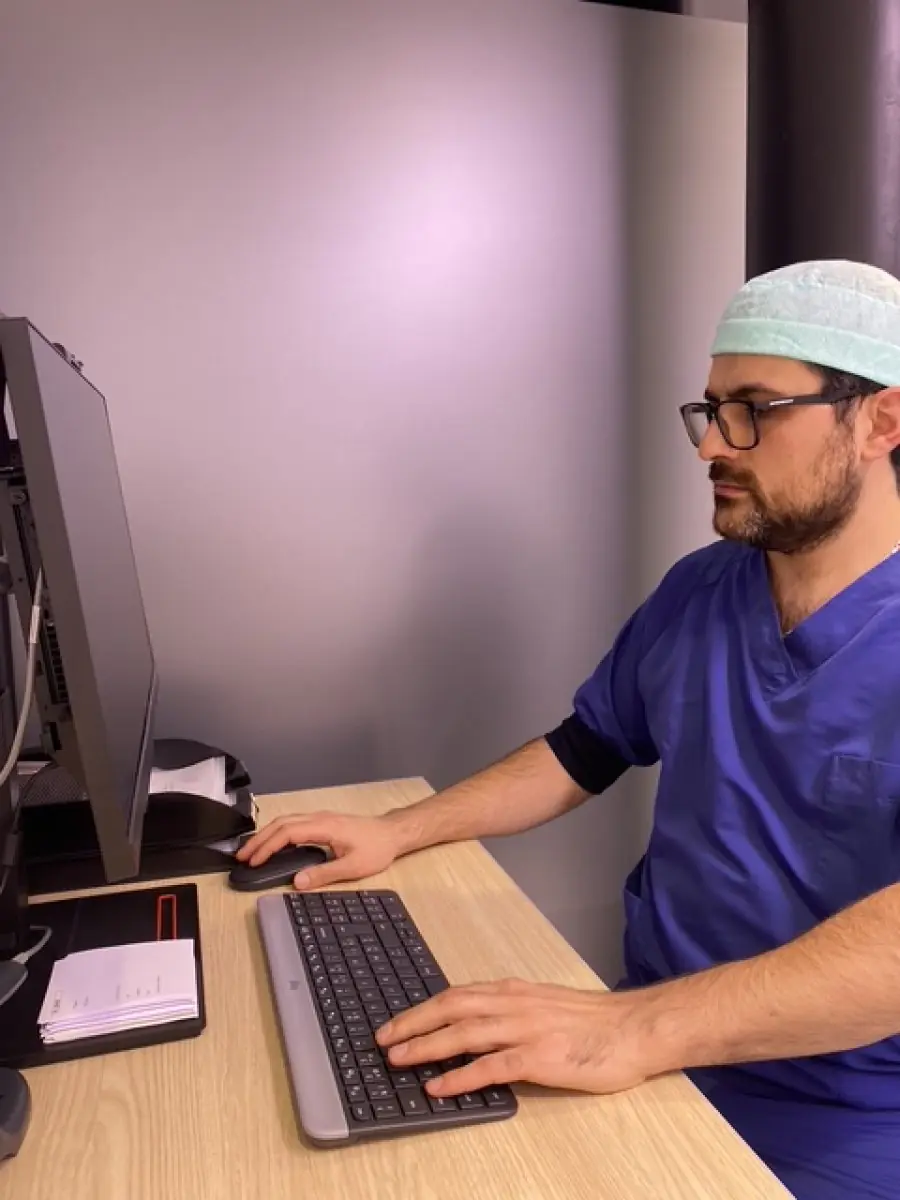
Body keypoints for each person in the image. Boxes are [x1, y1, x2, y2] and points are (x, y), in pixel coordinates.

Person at [239, 259, 900, 1199]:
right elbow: (583, 750)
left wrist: (636, 1030)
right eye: (709, 409)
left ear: (880, 421)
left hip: (842, 1108)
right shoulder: (701, 591)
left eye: (753, 408)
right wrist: (397, 831)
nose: (713, 444)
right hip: (648, 1038)